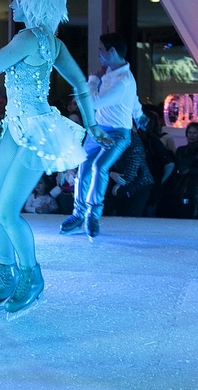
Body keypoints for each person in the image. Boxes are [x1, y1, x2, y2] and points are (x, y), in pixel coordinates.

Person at [0, 0, 110, 316]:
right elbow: (81, 85)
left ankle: (30, 276)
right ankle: (6, 276)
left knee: (5, 209)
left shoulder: (26, 38)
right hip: (19, 127)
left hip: (32, 131)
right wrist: (92, 125)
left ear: (33, 3)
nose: (11, 5)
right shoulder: (53, 42)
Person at [60, 32, 146, 238]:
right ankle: (78, 214)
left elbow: (94, 102)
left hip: (118, 134)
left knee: (99, 166)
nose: (98, 53)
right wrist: (140, 115)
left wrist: (92, 80)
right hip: (98, 131)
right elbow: (133, 100)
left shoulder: (123, 80)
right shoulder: (113, 73)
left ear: (111, 51)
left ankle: (93, 215)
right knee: (84, 167)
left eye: (100, 49)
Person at [170, 122, 198, 219]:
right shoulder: (181, 150)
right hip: (182, 186)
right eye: (189, 132)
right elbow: (181, 166)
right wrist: (196, 158)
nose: (191, 135)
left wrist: (190, 169)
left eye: (194, 133)